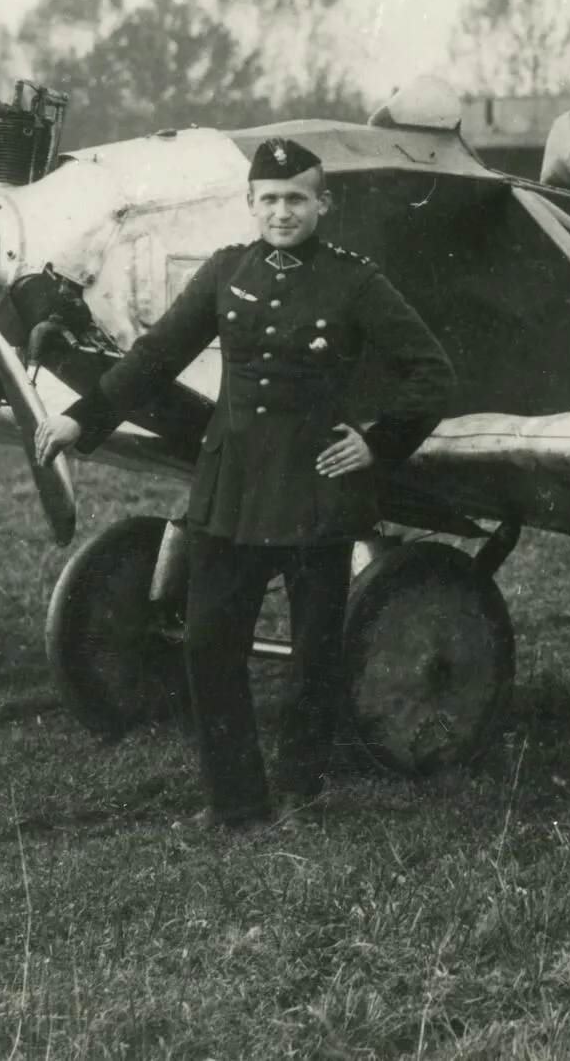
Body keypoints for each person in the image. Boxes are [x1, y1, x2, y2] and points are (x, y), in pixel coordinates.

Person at [33, 137, 454, 828]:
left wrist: (376, 443)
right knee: (207, 644)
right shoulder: (226, 272)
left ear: (323, 203)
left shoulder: (354, 281)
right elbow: (156, 357)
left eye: (297, 199)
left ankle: (299, 792)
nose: (283, 212)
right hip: (230, 488)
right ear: (251, 204)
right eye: (270, 200)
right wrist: (84, 418)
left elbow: (432, 372)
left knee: (315, 655)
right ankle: (234, 801)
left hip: (317, 492)